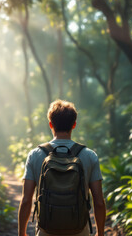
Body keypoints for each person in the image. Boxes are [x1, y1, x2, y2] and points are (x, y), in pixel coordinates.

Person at [18, 100, 106, 236]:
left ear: (50, 124)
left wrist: (21, 233)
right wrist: (100, 233)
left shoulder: (35, 155)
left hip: (46, 231)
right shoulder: (89, 156)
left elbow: (26, 200)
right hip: (79, 231)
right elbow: (99, 202)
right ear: (74, 124)